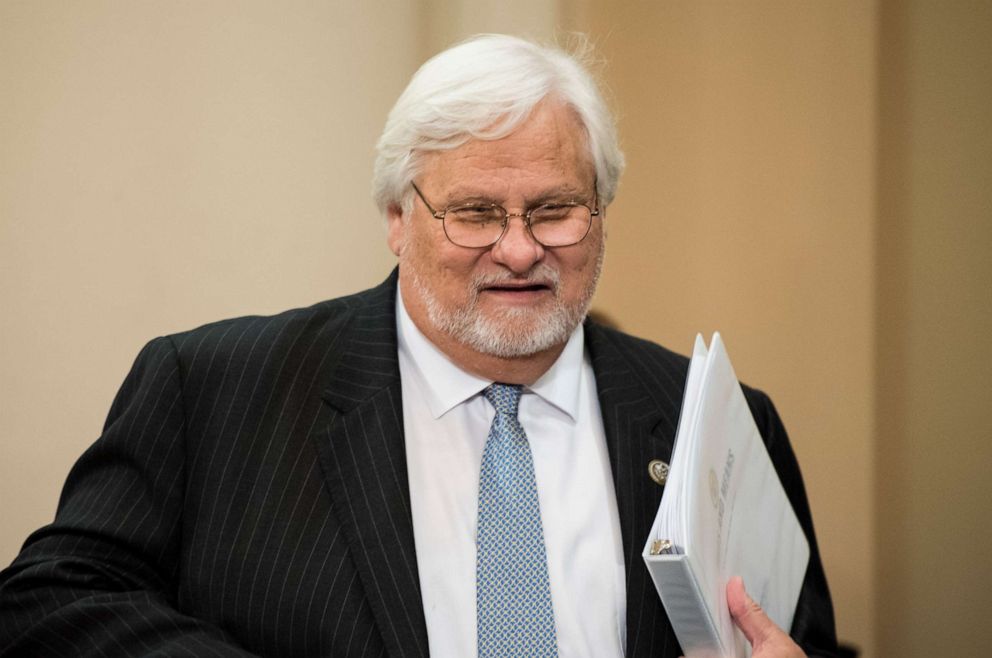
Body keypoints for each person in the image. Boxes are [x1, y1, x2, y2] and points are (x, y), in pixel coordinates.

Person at [0, 34, 837, 658]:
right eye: (475, 213)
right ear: (398, 220)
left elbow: (800, 639)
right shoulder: (213, 390)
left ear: (602, 212)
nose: (519, 249)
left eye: (555, 208)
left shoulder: (712, 418)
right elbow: (49, 601)